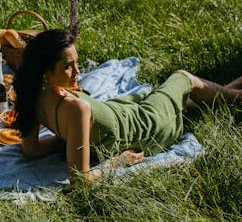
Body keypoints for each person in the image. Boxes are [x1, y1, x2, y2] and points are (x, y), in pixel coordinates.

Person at [12, 29, 241, 182]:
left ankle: (231, 92)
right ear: (45, 71)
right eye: (68, 67)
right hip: (147, 126)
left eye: (77, 63)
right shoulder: (74, 108)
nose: (78, 72)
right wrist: (117, 162)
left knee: (191, 101)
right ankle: (235, 97)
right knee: (184, 78)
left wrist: (72, 140)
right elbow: (80, 180)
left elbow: (31, 149)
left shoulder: (32, 93)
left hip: (127, 111)